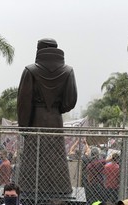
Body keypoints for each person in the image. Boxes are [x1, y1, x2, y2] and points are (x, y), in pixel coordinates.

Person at [17, 38, 77, 196]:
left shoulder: (30, 71)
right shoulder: (68, 71)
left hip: (35, 120)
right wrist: (57, 109)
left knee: (33, 155)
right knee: (56, 155)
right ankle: (59, 187)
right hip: (55, 120)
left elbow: (23, 103)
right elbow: (70, 101)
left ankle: (30, 187)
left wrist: (24, 127)